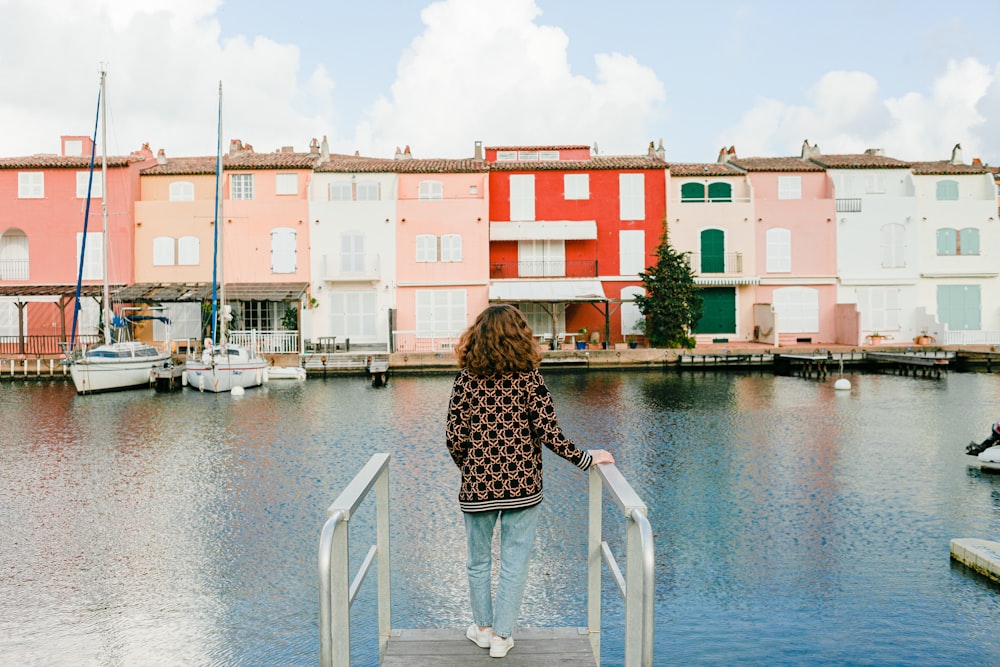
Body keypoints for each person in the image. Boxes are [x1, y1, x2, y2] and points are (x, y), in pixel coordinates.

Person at [445, 304, 615, 658]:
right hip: (523, 487)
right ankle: (502, 638)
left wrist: (473, 467)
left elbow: (454, 437)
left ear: (476, 338)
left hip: (477, 488)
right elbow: (549, 433)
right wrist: (586, 459)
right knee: (514, 562)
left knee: (477, 562)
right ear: (520, 338)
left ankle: (483, 629)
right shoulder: (530, 380)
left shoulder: (465, 380)